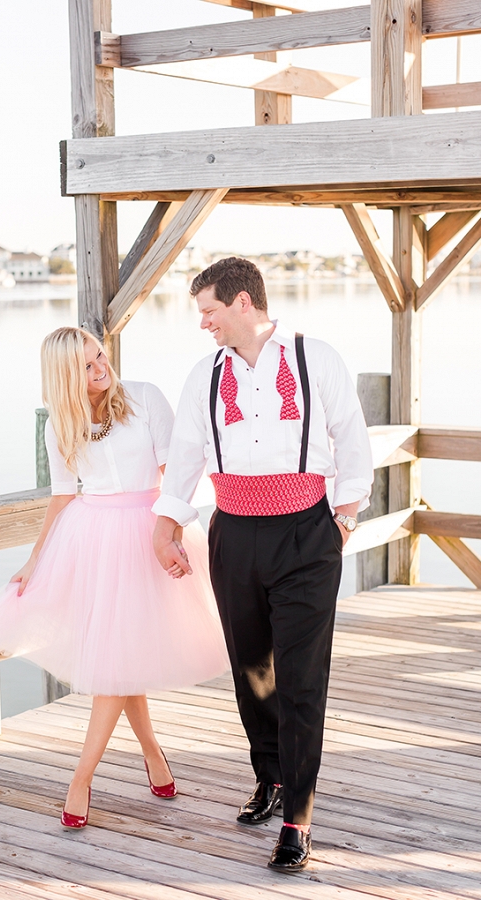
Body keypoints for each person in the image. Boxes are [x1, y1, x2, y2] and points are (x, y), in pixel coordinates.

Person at [152, 257, 373, 871]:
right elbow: (186, 454)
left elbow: (352, 441)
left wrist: (345, 519)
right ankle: (271, 777)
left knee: (302, 677)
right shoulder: (205, 374)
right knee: (252, 667)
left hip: (306, 533)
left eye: (209, 311)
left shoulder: (315, 357)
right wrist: (165, 525)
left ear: (243, 303)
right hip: (234, 533)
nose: (204, 324)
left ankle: (298, 818)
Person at [0, 326, 229, 830]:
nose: (101, 368)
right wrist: (34, 559)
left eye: (100, 355)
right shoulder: (59, 425)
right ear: (66, 376)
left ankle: (81, 777)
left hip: (148, 532)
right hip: (93, 542)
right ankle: (151, 756)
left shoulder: (145, 398)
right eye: (87, 366)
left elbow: (174, 473)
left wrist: (171, 532)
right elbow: (63, 495)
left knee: (117, 662)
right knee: (118, 660)